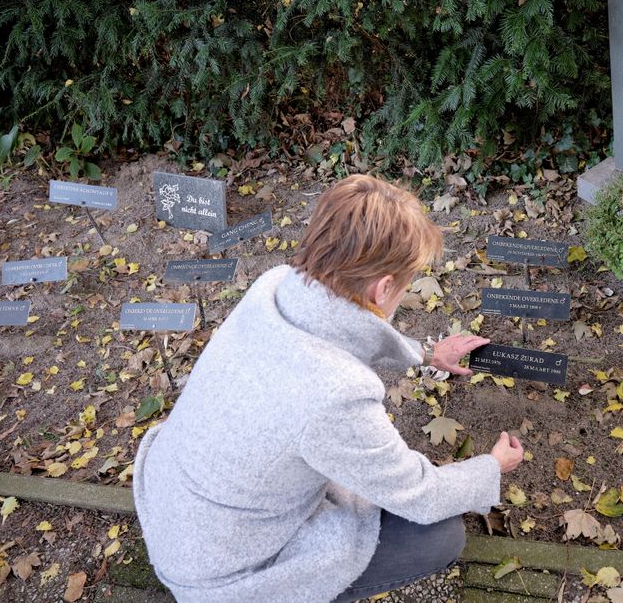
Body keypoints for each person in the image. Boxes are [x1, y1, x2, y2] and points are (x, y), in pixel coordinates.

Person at [132, 174, 524, 603]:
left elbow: (341, 330)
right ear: (384, 287)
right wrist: (489, 467)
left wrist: (428, 355)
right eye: (406, 283)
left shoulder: (274, 285)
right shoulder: (337, 394)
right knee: (440, 536)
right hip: (223, 573)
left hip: (177, 507)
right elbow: (420, 495)